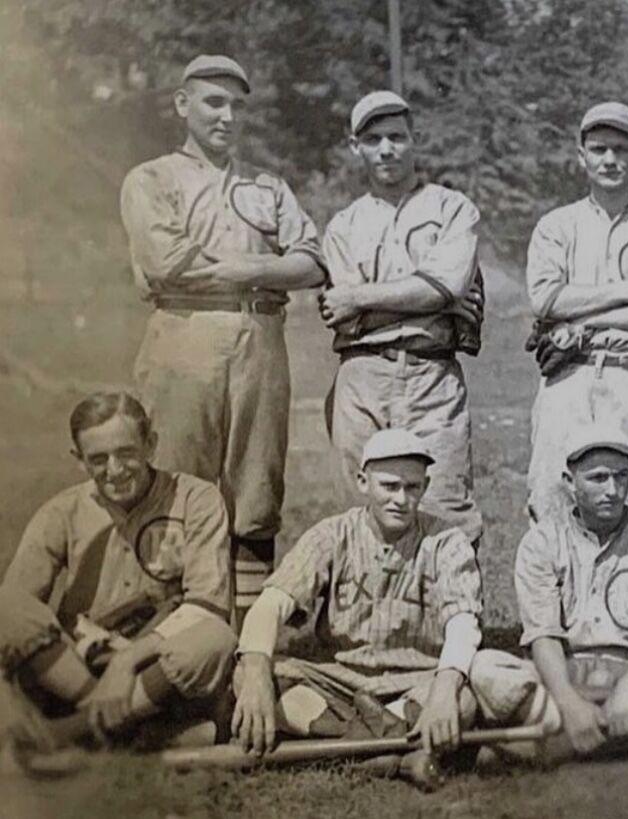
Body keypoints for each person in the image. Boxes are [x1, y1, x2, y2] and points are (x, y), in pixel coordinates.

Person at [120, 55, 326, 622]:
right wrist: (259, 265)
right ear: (183, 105)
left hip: (260, 339)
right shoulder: (152, 178)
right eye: (214, 101)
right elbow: (166, 265)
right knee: (174, 483)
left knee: (256, 491)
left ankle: (247, 645)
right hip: (185, 333)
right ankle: (171, 632)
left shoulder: (268, 186)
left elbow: (311, 262)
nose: (228, 115)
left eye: (238, 105)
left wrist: (237, 271)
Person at [231, 429, 483, 781]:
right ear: (363, 482)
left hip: (414, 682)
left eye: (412, 487)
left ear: (424, 488)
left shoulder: (446, 540)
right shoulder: (332, 535)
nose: (401, 499)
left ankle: (355, 747)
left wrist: (443, 690)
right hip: (339, 683)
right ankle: (390, 749)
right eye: (389, 486)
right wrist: (258, 674)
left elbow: (463, 623)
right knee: (248, 673)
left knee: (464, 698)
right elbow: (271, 604)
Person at [0, 392, 236, 754]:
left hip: (152, 667)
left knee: (215, 638)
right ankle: (127, 728)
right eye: (99, 459)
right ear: (79, 461)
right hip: (75, 669)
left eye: (126, 452)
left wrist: (126, 661)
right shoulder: (61, 511)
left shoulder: (196, 499)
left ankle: (68, 734)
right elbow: (15, 609)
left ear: (150, 445)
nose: (115, 469)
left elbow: (208, 606)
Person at [469, 425, 628, 761]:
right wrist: (570, 703)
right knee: (485, 667)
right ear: (570, 483)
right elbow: (543, 636)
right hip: (562, 680)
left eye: (621, 476)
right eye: (598, 478)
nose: (612, 490)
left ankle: (547, 746)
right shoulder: (541, 542)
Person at [320, 91, 484, 543]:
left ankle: (457, 614)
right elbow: (344, 312)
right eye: (373, 139)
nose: (386, 148)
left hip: (431, 372)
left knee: (446, 506)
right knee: (360, 511)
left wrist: (367, 298)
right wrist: (430, 298)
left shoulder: (452, 208)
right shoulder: (343, 225)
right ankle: (371, 615)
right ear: (356, 147)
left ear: (415, 139)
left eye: (396, 136)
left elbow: (448, 284)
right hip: (362, 373)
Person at [525, 102, 628, 523]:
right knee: (552, 500)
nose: (610, 159)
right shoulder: (556, 226)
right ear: (582, 156)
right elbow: (545, 300)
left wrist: (583, 321)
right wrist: (627, 292)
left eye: (621, 148)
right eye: (599, 149)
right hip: (569, 378)